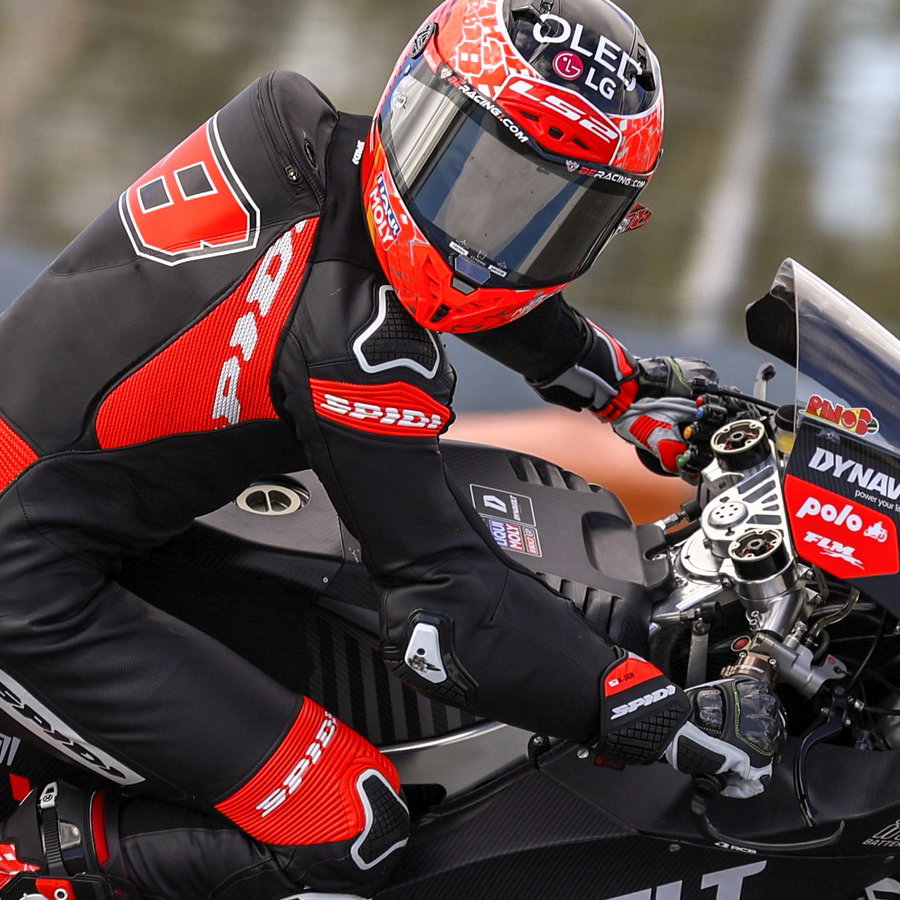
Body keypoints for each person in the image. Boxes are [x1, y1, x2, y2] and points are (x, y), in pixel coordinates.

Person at [0, 0, 785, 897]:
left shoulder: (293, 126)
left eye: (545, 216)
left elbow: (429, 270)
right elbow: (447, 615)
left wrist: (624, 385)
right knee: (352, 824)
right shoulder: (355, 349)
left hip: (83, 505)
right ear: (415, 97)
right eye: (473, 176)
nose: (486, 240)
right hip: (29, 579)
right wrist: (642, 706)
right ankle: (32, 863)